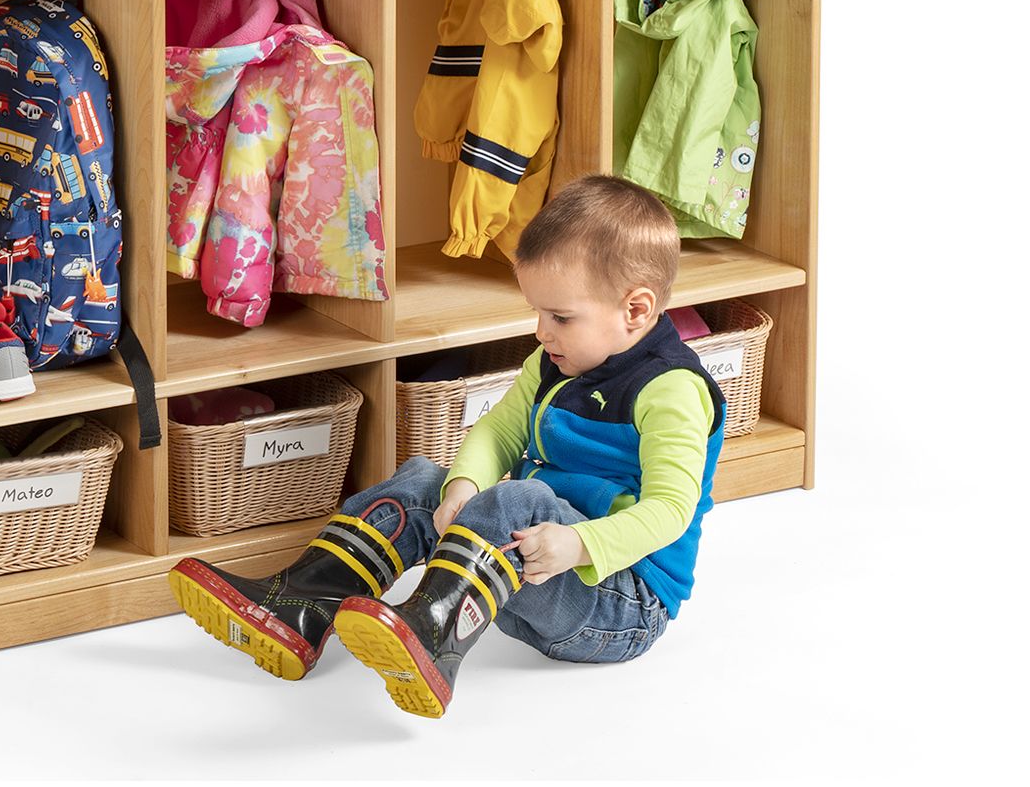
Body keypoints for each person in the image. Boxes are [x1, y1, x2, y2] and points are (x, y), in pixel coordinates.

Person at [166, 174, 727, 718]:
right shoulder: (559, 359)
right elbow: (498, 431)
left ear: (635, 310)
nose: (540, 330)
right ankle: (299, 607)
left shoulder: (672, 390)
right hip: (533, 569)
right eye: (537, 311)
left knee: (517, 500)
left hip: (620, 601)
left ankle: (433, 637)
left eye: (559, 316)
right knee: (421, 481)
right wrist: (463, 486)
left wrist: (577, 545)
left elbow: (670, 511)